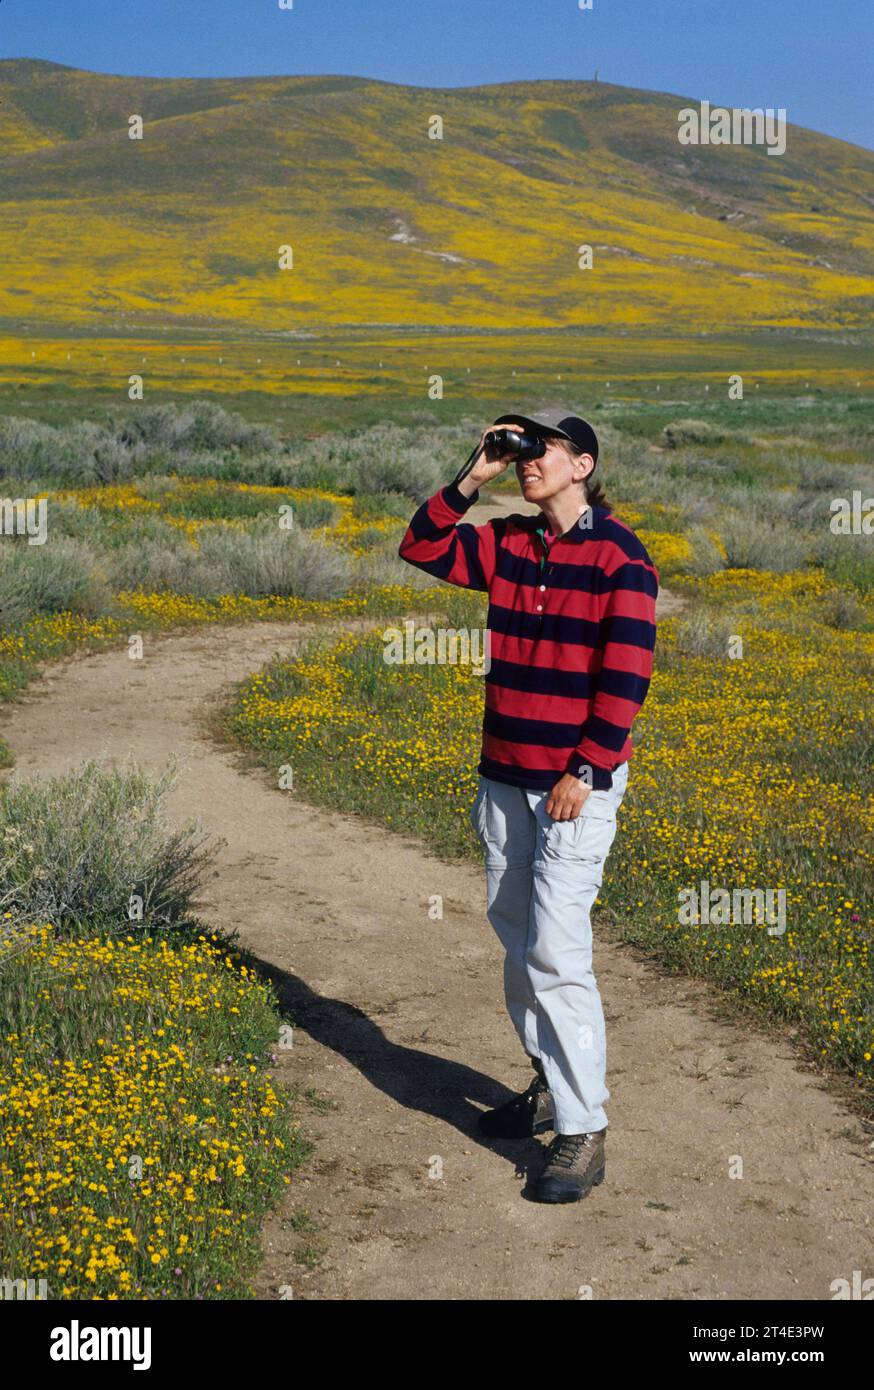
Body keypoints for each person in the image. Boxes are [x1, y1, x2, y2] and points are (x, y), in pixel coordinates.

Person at [398, 410, 659, 1203]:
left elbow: (626, 675)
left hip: (572, 789)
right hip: (503, 776)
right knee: (517, 941)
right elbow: (421, 546)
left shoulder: (622, 559)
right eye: (518, 454)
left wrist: (586, 767)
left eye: (538, 452)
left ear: (583, 464)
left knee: (556, 951)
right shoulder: (509, 542)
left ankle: (583, 1130)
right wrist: (473, 473)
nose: (525, 465)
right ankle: (549, 1083)